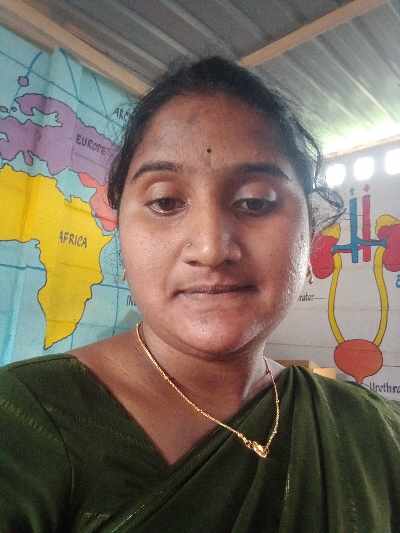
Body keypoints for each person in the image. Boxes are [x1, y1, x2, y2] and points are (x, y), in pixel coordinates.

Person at [0, 56, 399, 533]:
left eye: (255, 202)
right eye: (166, 202)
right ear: (120, 228)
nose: (211, 248)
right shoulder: (22, 425)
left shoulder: (373, 432)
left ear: (309, 230)